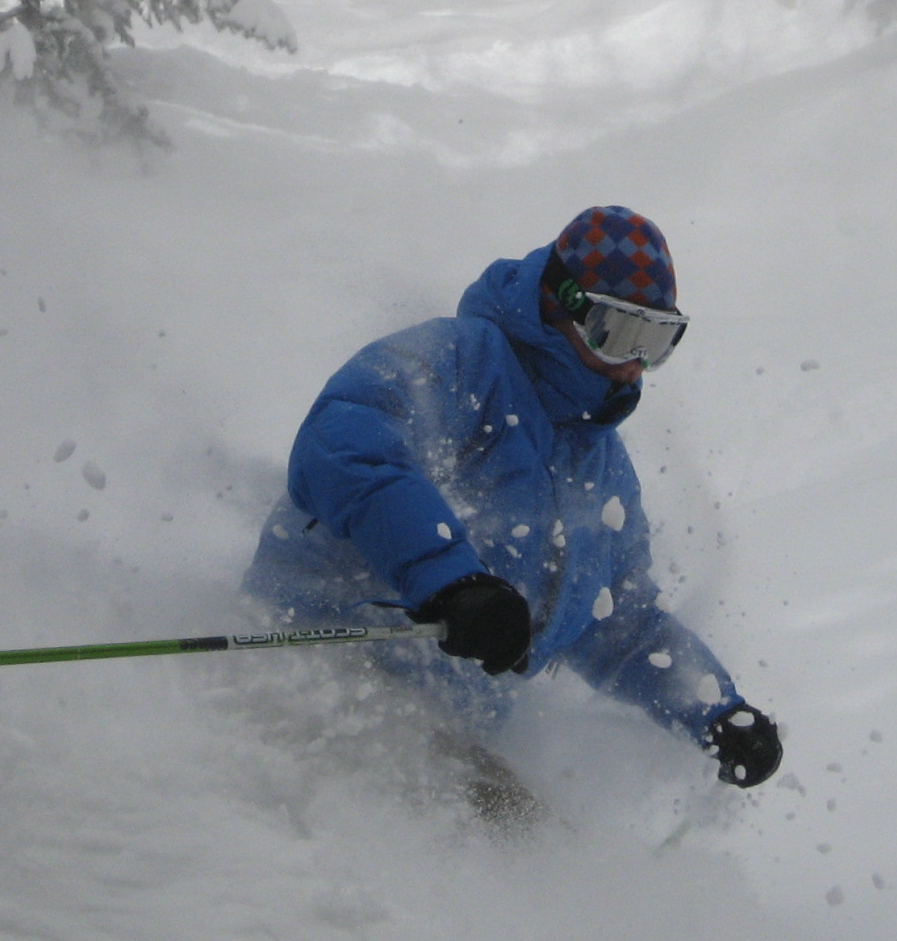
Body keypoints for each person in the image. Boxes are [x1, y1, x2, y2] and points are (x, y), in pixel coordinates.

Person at [245, 207, 782, 792]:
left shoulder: (601, 467)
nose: (634, 365)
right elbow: (342, 444)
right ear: (562, 303)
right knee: (506, 841)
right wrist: (451, 581)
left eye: (656, 340)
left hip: (441, 734)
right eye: (621, 332)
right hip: (318, 667)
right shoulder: (462, 362)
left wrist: (714, 710)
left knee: (546, 861)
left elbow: (619, 625)